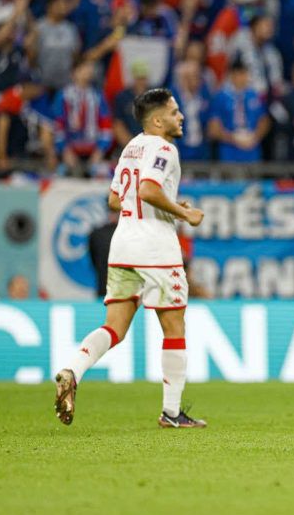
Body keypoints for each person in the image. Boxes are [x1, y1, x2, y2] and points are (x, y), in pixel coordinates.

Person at [53, 88, 207, 429]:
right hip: (156, 248)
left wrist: (162, 206)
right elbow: (148, 190)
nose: (180, 117)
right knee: (174, 327)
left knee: (114, 327)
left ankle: (72, 371)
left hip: (122, 244)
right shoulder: (165, 148)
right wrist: (182, 214)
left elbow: (113, 199)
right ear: (157, 120)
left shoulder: (131, 147)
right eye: (174, 111)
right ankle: (171, 413)